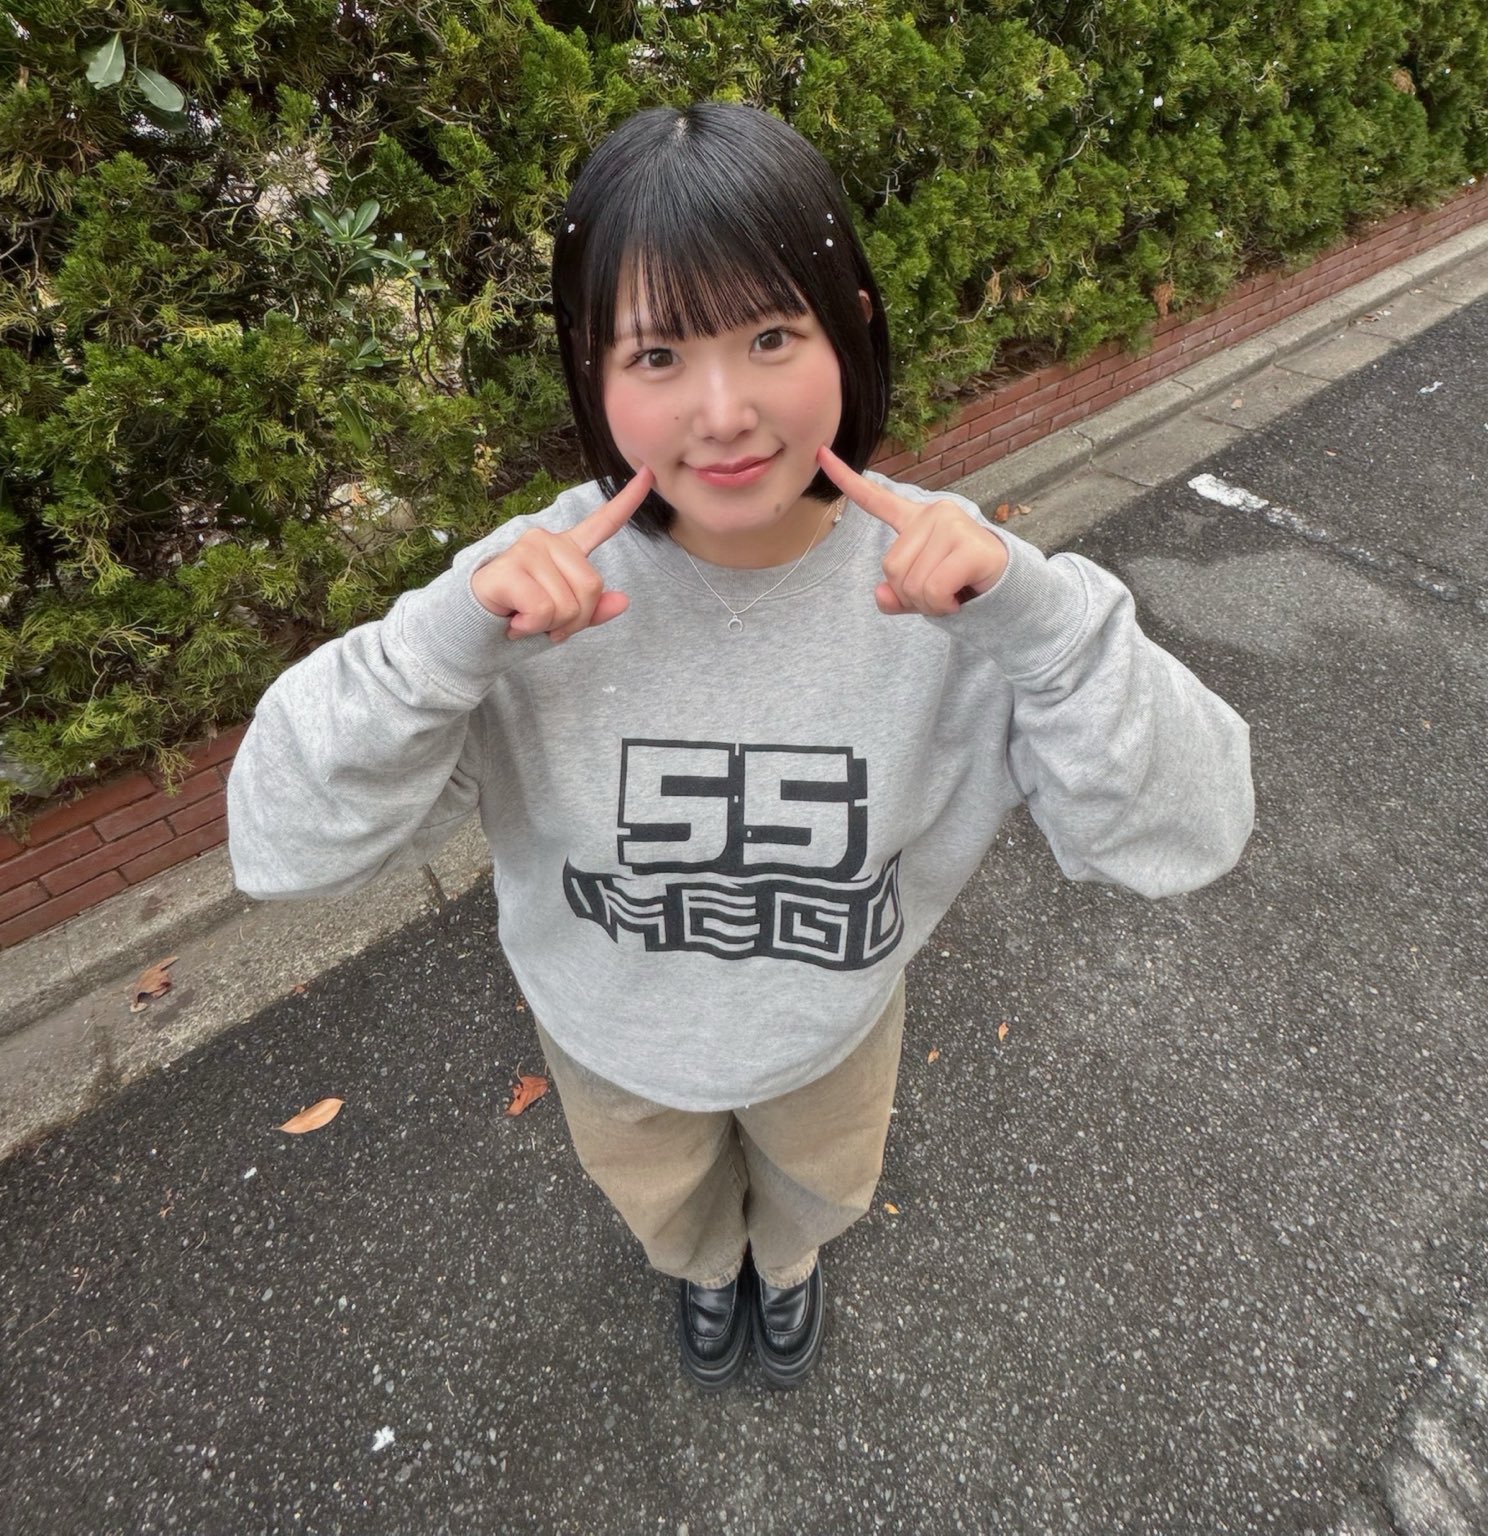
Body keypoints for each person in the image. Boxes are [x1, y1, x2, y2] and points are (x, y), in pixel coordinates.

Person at [227, 101, 1254, 1391]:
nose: (722, 412)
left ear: (850, 330)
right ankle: (710, 1273)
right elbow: (278, 843)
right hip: (608, 1039)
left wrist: (1043, 628)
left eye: (771, 336)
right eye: (658, 354)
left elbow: (1191, 831)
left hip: (833, 1026)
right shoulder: (523, 596)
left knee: (820, 1183)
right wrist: (442, 646)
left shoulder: (960, 585)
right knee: (666, 1204)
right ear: (593, 372)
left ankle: (790, 1262)